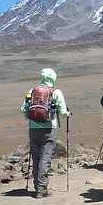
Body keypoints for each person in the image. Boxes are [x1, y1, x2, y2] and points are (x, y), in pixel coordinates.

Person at [21, 68, 69, 198]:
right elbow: (63, 112)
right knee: (46, 158)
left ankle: (37, 186)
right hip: (49, 129)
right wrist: (67, 113)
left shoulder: (32, 91)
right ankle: (42, 189)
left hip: (33, 129)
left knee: (36, 157)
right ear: (53, 78)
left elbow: (23, 110)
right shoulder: (56, 92)